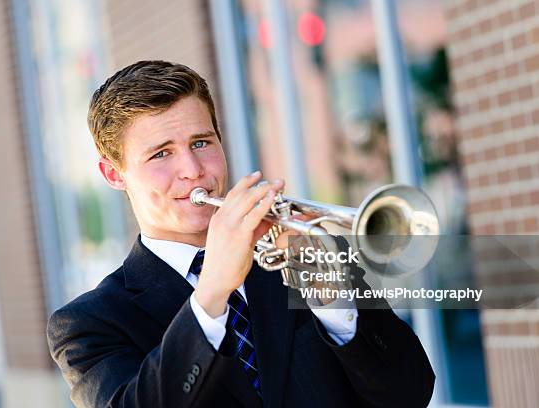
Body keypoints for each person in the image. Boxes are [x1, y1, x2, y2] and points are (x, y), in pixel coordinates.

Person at [46, 60, 435, 408]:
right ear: (114, 174)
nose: (193, 169)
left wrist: (330, 298)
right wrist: (212, 292)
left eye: (201, 142)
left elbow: (410, 392)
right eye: (161, 154)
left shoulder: (307, 255)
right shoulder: (88, 325)